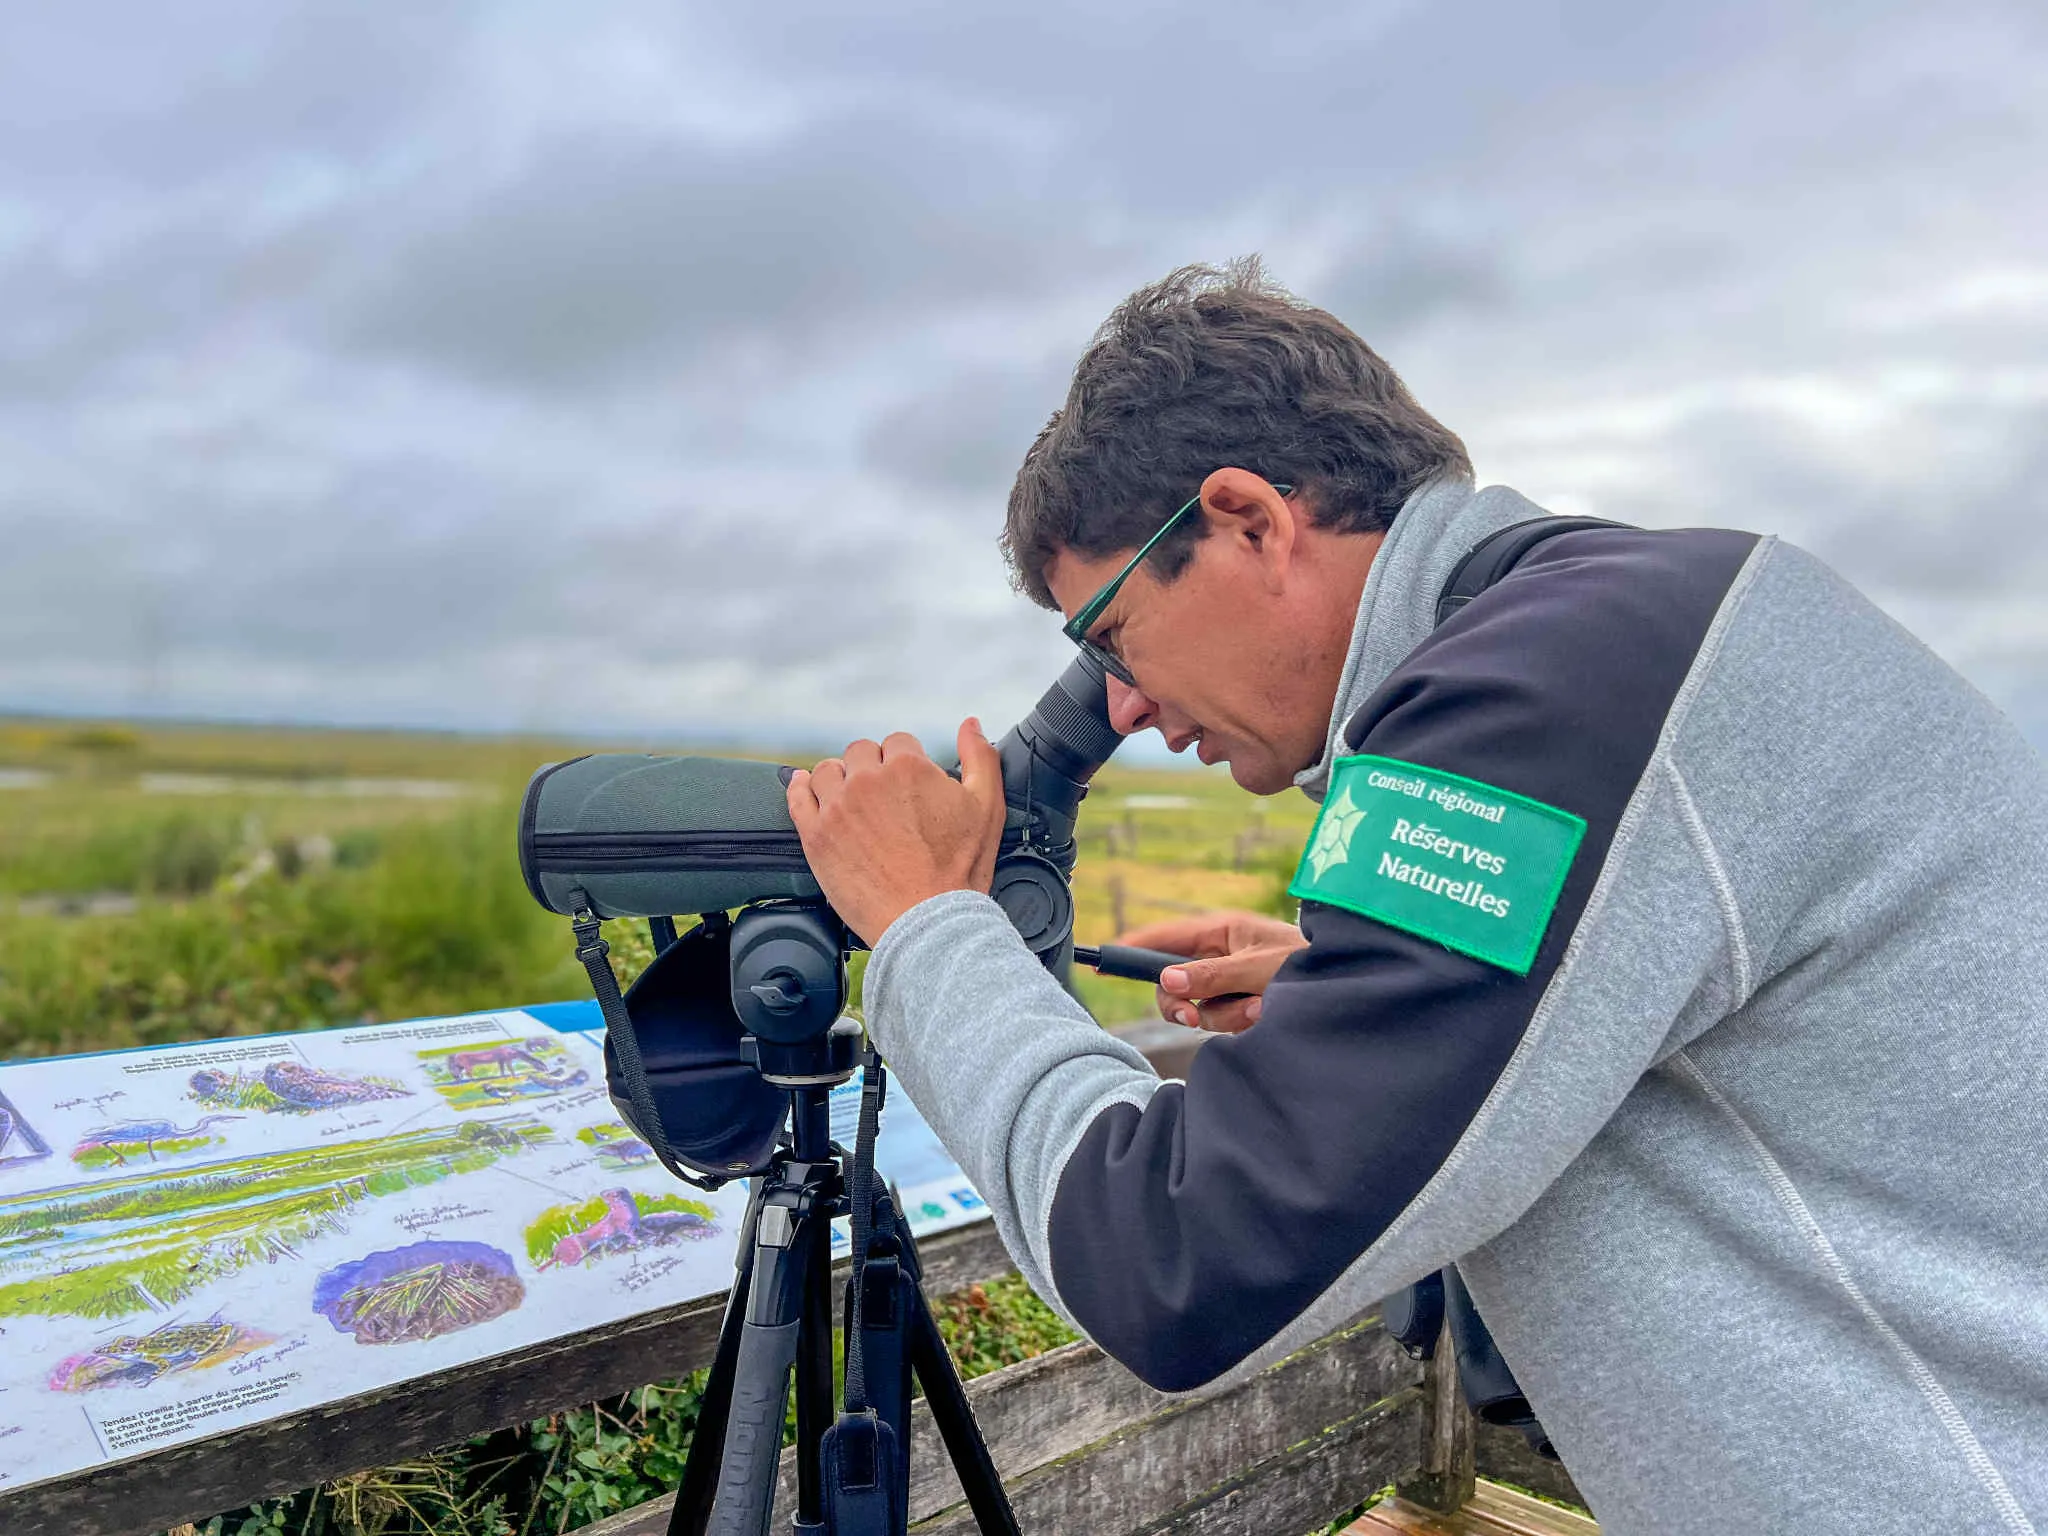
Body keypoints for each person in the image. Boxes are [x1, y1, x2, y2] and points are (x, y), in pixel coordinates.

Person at [783, 260, 2048, 1535]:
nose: (1125, 705)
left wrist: (926, 925)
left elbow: (1175, 1263)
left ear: (1247, 521)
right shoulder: (1620, 636)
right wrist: (1361, 995)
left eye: (1108, 634)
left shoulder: (1544, 693)